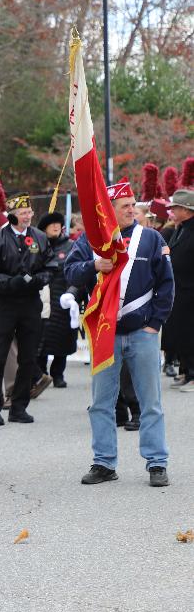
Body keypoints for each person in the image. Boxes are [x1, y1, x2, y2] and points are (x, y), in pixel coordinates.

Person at [64, 179, 174, 487]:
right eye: (125, 206)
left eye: (133, 205)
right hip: (105, 333)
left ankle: (157, 462)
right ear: (109, 210)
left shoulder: (150, 238)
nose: (132, 210)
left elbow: (166, 283)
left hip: (142, 332)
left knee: (150, 402)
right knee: (102, 402)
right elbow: (70, 272)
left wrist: (155, 323)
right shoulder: (91, 240)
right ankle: (104, 462)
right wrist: (94, 265)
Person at [0, 194, 55, 424]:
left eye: (29, 212)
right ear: (12, 215)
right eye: (22, 213)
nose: (27, 217)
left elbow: (51, 265)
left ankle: (19, 407)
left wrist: (39, 279)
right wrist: (10, 282)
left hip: (30, 303)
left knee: (28, 357)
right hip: (4, 304)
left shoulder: (40, 237)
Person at [36, 212, 78, 388]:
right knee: (40, 339)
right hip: (42, 300)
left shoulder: (71, 247)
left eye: (58, 224)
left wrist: (72, 294)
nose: (55, 226)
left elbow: (76, 272)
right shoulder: (38, 246)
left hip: (63, 299)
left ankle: (58, 373)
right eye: (51, 224)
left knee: (63, 338)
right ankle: (41, 374)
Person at [161, 189, 194, 392]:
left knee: (190, 334)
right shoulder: (180, 229)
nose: (172, 211)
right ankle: (185, 370)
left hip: (190, 291)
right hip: (179, 290)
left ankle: (193, 374)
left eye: (175, 208)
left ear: (187, 210)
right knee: (180, 334)